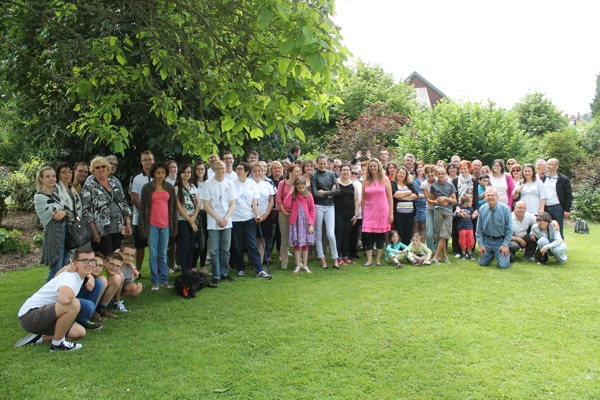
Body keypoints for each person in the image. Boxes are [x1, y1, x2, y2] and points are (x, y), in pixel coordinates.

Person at [15, 245, 95, 351]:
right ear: (75, 263)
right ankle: (57, 344)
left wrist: (90, 277)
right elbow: (64, 299)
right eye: (85, 260)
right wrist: (71, 294)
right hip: (30, 315)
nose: (90, 264)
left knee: (79, 332)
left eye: (92, 260)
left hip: (44, 315)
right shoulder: (69, 277)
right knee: (74, 304)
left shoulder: (78, 277)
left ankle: (39, 338)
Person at [138, 162, 178, 290]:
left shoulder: (170, 188)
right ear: (154, 173)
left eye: (163, 172)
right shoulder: (147, 188)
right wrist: (142, 226)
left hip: (166, 225)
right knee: (153, 254)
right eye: (158, 172)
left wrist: (174, 225)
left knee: (163, 254)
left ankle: (165, 280)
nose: (160, 175)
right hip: (152, 225)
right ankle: (155, 281)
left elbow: (173, 209)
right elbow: (143, 208)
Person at [82, 156, 132, 257]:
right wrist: (94, 232)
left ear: (107, 168)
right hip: (101, 229)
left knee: (116, 256)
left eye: (103, 166)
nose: (101, 169)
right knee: (106, 257)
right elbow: (87, 211)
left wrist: (128, 223)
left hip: (117, 227)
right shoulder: (89, 186)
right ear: (93, 170)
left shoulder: (114, 183)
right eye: (97, 167)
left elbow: (123, 203)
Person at [231, 163, 272, 279]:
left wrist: (257, 214)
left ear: (246, 171)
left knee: (252, 244)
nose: (237, 170)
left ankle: (259, 269)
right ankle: (240, 268)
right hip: (235, 219)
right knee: (238, 245)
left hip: (248, 218)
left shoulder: (252, 183)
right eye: (237, 168)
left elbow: (254, 202)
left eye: (240, 169)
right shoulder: (232, 183)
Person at [199, 160, 237, 285]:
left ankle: (224, 273)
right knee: (214, 250)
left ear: (225, 169)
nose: (220, 171)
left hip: (227, 221)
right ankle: (216, 275)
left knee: (225, 249)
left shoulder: (230, 184)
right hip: (213, 221)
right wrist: (218, 219)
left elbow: (232, 204)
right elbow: (206, 205)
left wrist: (225, 218)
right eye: (218, 168)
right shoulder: (208, 183)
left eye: (222, 168)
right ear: (214, 169)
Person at [34, 166, 70, 282]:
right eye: (48, 176)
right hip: (54, 236)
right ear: (41, 179)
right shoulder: (39, 197)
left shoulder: (56, 195)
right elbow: (55, 214)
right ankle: (46, 293)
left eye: (53, 176)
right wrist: (65, 212)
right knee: (56, 270)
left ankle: (59, 293)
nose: (51, 179)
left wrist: (64, 212)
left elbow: (69, 211)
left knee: (65, 269)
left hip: (65, 235)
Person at [361, 158, 393, 267]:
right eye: (371, 166)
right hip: (369, 211)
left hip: (381, 212)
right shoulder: (365, 181)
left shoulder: (385, 179)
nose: (373, 168)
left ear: (378, 167)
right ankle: (369, 260)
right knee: (367, 235)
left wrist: (391, 213)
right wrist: (363, 212)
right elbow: (363, 199)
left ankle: (378, 259)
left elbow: (390, 197)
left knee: (380, 235)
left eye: (374, 166)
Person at [311, 154, 341, 269]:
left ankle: (335, 258)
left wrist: (325, 192)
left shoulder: (331, 174)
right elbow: (315, 194)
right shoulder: (314, 175)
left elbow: (338, 191)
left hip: (330, 206)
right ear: (317, 163)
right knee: (318, 233)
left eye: (324, 163)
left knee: (330, 234)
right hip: (318, 206)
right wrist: (330, 193)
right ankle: (322, 259)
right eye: (320, 163)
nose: (323, 165)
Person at [129, 150, 155, 273]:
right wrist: (145, 212)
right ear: (141, 162)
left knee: (155, 246)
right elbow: (134, 198)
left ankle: (156, 271)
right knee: (140, 246)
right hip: (140, 218)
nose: (148, 162)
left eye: (150, 159)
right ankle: (138, 271)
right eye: (145, 160)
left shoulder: (159, 175)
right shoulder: (136, 178)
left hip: (156, 218)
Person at [284, 177, 316, 274]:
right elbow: (286, 205)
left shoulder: (309, 195)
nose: (301, 189)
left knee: (305, 244)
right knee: (297, 244)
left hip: (306, 223)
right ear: (295, 187)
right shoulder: (293, 195)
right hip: (296, 223)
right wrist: (290, 192)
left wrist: (311, 224)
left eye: (303, 187)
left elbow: (312, 210)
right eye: (299, 188)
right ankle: (298, 265)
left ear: (305, 186)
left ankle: (305, 265)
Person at [476, 187, 513, 269]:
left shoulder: (505, 209)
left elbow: (509, 229)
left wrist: (505, 244)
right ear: (485, 197)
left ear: (497, 197)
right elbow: (479, 229)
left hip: (500, 240)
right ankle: (490, 254)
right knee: (482, 263)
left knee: (503, 265)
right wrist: (480, 245)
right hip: (487, 240)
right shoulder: (482, 209)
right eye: (488, 195)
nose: (490, 197)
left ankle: (508, 254)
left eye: (492, 195)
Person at [175, 164, 201, 274]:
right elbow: (179, 207)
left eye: (189, 172)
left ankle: (190, 270)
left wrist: (194, 218)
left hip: (193, 219)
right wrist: (191, 221)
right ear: (180, 173)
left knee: (191, 246)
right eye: (184, 172)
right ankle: (185, 271)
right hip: (182, 220)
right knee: (184, 246)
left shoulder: (193, 186)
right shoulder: (176, 188)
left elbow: (198, 203)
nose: (187, 174)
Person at [430, 167, 457, 264]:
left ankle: (436, 256)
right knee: (440, 234)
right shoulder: (433, 186)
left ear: (445, 174)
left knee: (445, 234)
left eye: (442, 173)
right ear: (436, 175)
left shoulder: (450, 185)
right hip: (438, 210)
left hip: (448, 211)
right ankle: (445, 256)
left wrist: (446, 198)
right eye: (439, 174)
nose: (441, 175)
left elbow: (455, 201)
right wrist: (438, 201)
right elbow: (432, 200)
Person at [451, 160, 478, 258]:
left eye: (465, 168)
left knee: (470, 229)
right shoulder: (455, 181)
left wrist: (476, 210)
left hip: (470, 208)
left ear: (469, 169)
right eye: (461, 169)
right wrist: (457, 208)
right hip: (458, 207)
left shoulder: (474, 181)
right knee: (457, 229)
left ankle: (469, 251)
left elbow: (476, 197)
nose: (463, 170)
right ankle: (458, 251)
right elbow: (454, 196)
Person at [541, 158, 572, 239]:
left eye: (550, 164)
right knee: (546, 229)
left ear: (556, 166)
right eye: (547, 164)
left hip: (557, 208)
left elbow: (569, 195)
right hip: (545, 208)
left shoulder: (563, 179)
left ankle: (560, 246)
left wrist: (567, 209)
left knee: (558, 229)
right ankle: (548, 246)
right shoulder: (543, 178)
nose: (548, 166)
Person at [276, 164, 301, 269]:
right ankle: (284, 262)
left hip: (297, 215)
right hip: (284, 214)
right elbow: (278, 199)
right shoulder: (282, 183)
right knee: (284, 239)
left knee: (298, 238)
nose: (299, 173)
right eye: (296, 171)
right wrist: (283, 211)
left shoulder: (300, 183)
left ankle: (298, 262)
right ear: (290, 173)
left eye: (299, 171)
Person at [334, 164, 359, 265]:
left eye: (347, 170)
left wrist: (356, 214)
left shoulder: (353, 184)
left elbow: (356, 200)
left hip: (350, 214)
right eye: (343, 170)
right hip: (338, 213)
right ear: (340, 172)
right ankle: (338, 257)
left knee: (347, 235)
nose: (346, 172)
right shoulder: (335, 183)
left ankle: (345, 256)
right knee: (339, 234)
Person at [252, 162, 275, 265]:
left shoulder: (267, 185)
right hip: (251, 217)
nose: (257, 173)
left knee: (262, 240)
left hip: (265, 216)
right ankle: (254, 261)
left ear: (262, 172)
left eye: (259, 171)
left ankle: (260, 263)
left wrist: (265, 215)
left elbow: (271, 202)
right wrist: (255, 215)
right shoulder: (249, 184)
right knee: (253, 240)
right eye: (255, 171)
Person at [392, 166, 418, 245]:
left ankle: (406, 249)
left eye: (403, 174)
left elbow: (415, 195)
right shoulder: (393, 184)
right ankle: (398, 248)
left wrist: (402, 197)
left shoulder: (409, 184)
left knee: (408, 233)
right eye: (400, 173)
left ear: (406, 175)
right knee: (399, 232)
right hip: (398, 214)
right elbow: (395, 195)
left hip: (410, 214)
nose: (401, 175)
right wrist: (409, 192)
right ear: (397, 174)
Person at [191, 161, 209, 272]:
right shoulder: (191, 184)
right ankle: (193, 265)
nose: (200, 171)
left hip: (206, 214)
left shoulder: (208, 183)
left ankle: (202, 266)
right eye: (198, 169)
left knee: (204, 240)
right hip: (195, 214)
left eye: (202, 169)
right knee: (195, 241)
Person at [95, 252, 124, 318]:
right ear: (105, 263)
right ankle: (93, 310)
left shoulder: (114, 273)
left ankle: (102, 308)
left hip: (100, 294)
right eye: (112, 264)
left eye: (117, 266)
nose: (114, 267)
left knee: (117, 278)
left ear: (120, 267)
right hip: (90, 293)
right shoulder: (99, 268)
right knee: (103, 280)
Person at [420, 164, 437, 252]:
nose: (430, 174)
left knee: (438, 233)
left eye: (431, 172)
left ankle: (438, 251)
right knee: (429, 233)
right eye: (427, 172)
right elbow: (428, 199)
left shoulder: (439, 180)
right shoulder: (424, 184)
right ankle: (431, 251)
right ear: (425, 174)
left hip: (440, 209)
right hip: (430, 210)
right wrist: (439, 201)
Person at [455, 193, 477, 260]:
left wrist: (474, 215)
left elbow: (472, 216)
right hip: (462, 228)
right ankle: (463, 254)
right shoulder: (460, 208)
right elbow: (454, 215)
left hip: (470, 227)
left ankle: (470, 254)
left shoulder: (471, 209)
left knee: (470, 240)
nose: (472, 203)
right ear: (465, 202)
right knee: (462, 241)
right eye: (470, 202)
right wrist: (458, 214)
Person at [412, 161, 427, 241]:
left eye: (421, 167)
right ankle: (415, 245)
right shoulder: (412, 179)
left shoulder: (427, 179)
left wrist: (421, 195)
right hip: (415, 205)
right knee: (415, 227)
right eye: (417, 168)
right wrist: (423, 195)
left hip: (425, 205)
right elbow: (412, 192)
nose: (419, 169)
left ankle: (422, 245)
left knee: (423, 227)